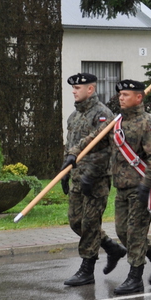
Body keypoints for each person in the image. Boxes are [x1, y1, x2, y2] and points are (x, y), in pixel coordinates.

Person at [103, 79, 151, 294]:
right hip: (122, 187)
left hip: (140, 187)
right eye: (120, 94)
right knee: (122, 231)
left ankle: (135, 278)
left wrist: (147, 183)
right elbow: (94, 139)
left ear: (139, 97)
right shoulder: (117, 123)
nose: (120, 98)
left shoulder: (148, 123)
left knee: (135, 233)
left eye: (125, 94)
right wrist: (73, 155)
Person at [60, 72, 128, 287]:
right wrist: (65, 171)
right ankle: (110, 247)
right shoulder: (74, 116)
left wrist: (91, 172)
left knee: (90, 223)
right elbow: (71, 145)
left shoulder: (102, 115)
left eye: (78, 88)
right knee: (76, 222)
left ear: (90, 89)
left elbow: (108, 149)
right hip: (78, 178)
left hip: (96, 179)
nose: (73, 91)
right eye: (73, 88)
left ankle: (87, 269)